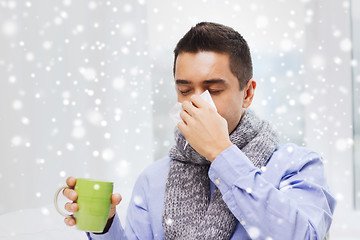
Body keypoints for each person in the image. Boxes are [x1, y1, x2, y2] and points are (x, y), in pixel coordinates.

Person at [62, 22, 336, 239]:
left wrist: (221, 153)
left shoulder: (297, 165)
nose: (196, 102)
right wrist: (105, 227)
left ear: (248, 93)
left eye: (213, 90)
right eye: (184, 90)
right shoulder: (154, 179)